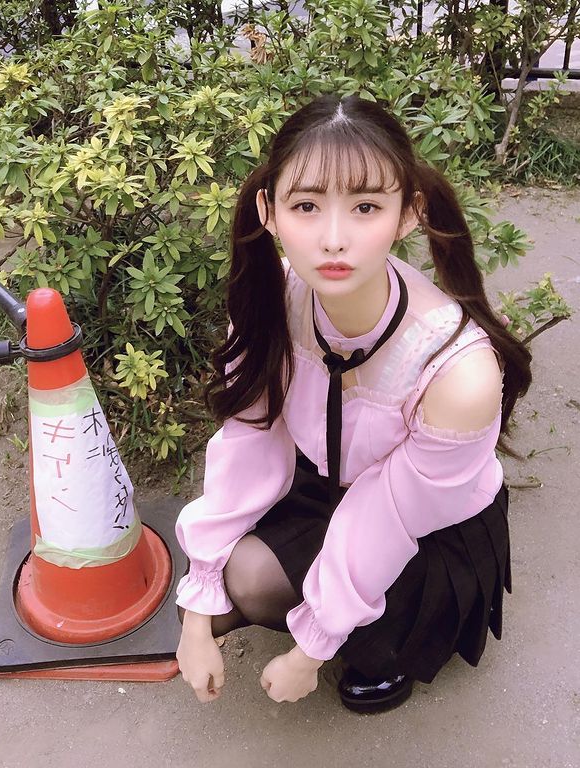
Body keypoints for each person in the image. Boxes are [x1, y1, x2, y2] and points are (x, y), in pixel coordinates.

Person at [174, 93, 532, 713]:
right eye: (306, 206)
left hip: (431, 527)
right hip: (330, 477)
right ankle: (339, 623)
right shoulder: (277, 295)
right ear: (269, 210)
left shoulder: (458, 371)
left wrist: (309, 650)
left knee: (340, 609)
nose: (333, 240)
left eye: (366, 206)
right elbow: (249, 438)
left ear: (408, 214)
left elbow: (389, 515)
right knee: (244, 579)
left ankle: (389, 649)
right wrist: (196, 607)